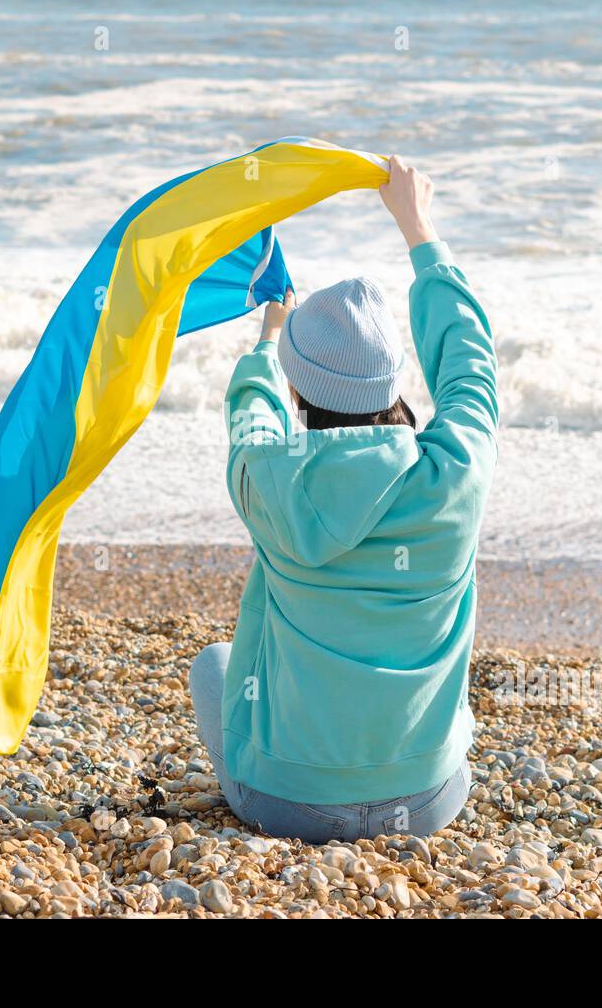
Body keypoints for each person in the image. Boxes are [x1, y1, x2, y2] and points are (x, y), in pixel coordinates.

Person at [188, 156, 499, 843]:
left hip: (282, 801)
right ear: (395, 380)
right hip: (426, 800)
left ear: (300, 394)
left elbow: (251, 417)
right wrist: (419, 228)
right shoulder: (454, 475)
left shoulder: (269, 480)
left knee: (213, 665)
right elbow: (471, 362)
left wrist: (270, 337)